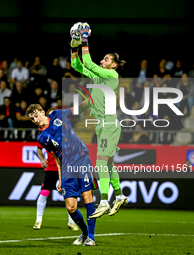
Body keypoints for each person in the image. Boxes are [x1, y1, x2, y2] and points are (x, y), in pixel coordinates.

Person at [70, 22, 128, 219]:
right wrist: (74, 45)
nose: (103, 60)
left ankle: (104, 200)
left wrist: (84, 40)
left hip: (110, 124)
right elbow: (77, 64)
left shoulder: (112, 75)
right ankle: (119, 195)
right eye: (103, 58)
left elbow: (88, 62)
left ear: (113, 65)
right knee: (108, 164)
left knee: (100, 162)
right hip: (101, 126)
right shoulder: (97, 77)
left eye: (106, 59)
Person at [27, 104, 97, 246]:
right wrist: (60, 179)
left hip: (81, 157)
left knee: (87, 196)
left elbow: (77, 108)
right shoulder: (41, 138)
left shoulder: (57, 115)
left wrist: (90, 99)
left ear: (42, 111)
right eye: (32, 118)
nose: (35, 119)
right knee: (70, 207)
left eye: (36, 115)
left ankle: (91, 237)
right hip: (66, 167)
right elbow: (57, 158)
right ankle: (84, 232)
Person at [33, 108, 79, 231]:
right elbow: (39, 149)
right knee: (44, 192)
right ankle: (38, 220)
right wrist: (42, 159)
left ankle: (71, 222)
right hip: (52, 167)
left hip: (66, 166)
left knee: (69, 194)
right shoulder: (44, 134)